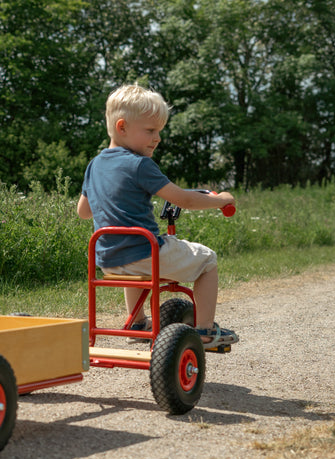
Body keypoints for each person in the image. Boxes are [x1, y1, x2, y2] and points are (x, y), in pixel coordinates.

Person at [77, 83, 238, 348]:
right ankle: (206, 332)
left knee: (132, 251)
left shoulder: (95, 165)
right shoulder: (140, 164)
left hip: (107, 259)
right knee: (208, 260)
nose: (157, 138)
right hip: (144, 254)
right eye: (150, 130)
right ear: (122, 127)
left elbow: (83, 212)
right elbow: (182, 198)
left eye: (159, 131)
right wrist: (220, 200)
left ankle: (137, 322)